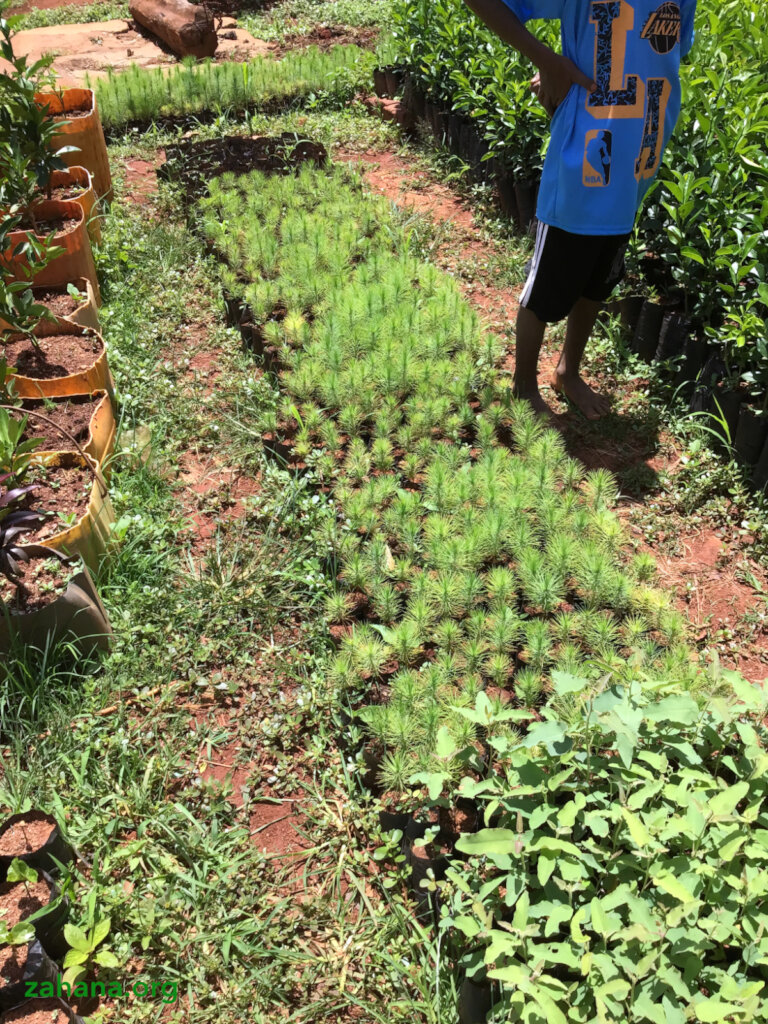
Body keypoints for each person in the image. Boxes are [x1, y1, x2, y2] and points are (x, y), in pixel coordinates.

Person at [462, 0, 697, 419]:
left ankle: (568, 372)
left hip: (636, 163)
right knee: (548, 284)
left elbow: (660, 56)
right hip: (585, 161)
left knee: (598, 280)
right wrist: (548, 61)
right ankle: (524, 385)